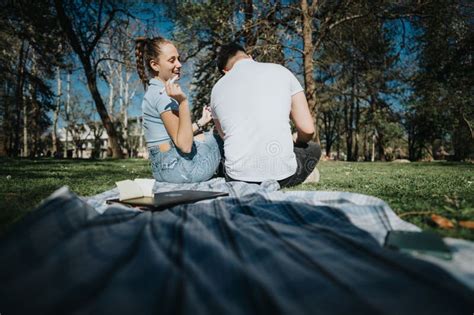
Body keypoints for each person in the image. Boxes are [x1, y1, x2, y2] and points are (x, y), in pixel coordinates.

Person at [210, 42, 321, 187]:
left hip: (237, 178)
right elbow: (308, 130)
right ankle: (302, 173)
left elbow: (225, 136)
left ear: (225, 71)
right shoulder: (281, 71)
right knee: (313, 148)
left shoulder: (217, 89)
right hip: (283, 176)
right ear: (249, 56)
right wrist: (296, 142)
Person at [135, 37, 221, 183]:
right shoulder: (163, 96)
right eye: (172, 60)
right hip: (182, 171)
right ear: (155, 65)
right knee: (220, 134)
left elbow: (175, 136)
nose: (179, 64)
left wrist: (201, 122)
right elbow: (185, 146)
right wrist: (183, 102)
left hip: (163, 170)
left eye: (178, 59)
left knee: (203, 136)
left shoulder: (154, 91)